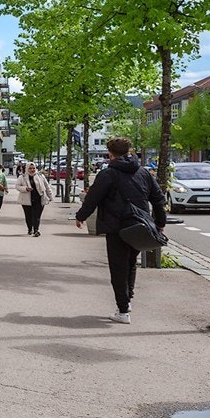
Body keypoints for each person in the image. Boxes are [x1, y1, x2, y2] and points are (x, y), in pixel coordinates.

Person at [74, 137, 167, 324]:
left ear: (110, 153)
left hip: (116, 227)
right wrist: (160, 222)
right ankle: (127, 299)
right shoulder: (143, 173)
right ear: (128, 151)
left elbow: (93, 198)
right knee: (131, 263)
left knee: (118, 267)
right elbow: (158, 198)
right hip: (138, 225)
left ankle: (123, 310)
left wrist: (81, 216)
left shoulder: (108, 174)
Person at [15, 162, 55, 236]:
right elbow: (17, 186)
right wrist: (25, 188)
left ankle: (36, 230)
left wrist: (50, 197)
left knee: (37, 215)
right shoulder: (22, 177)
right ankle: (30, 229)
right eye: (30, 168)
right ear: (27, 169)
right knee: (28, 216)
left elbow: (47, 186)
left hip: (39, 198)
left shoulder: (40, 176)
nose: (32, 170)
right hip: (27, 199)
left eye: (33, 168)